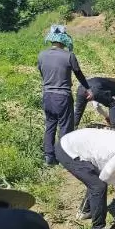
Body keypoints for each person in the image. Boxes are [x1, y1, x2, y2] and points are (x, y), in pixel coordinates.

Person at [37, 25, 92, 166]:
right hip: (63, 96)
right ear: (64, 40)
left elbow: (42, 74)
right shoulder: (69, 56)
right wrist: (88, 88)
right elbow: (79, 74)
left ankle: (49, 157)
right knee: (65, 127)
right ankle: (63, 156)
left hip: (47, 95)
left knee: (50, 125)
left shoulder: (42, 55)